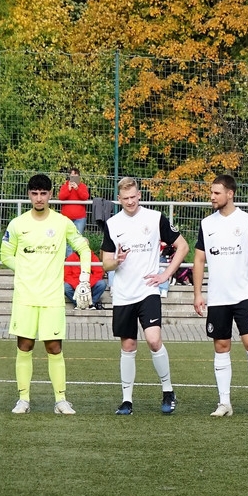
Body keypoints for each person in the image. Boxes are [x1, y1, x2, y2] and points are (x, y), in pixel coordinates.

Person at [0, 174, 92, 415]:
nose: (39, 198)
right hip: (25, 296)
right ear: (29, 195)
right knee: (24, 345)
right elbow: (5, 255)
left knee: (54, 347)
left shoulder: (62, 223)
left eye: (43, 193)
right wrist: (25, 269)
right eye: (34, 193)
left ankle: (61, 401)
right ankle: (23, 400)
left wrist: (84, 278)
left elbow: (83, 248)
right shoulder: (17, 224)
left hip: (52, 297)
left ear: (50, 194)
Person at [101, 177, 189, 416]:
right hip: (123, 294)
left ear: (139, 195)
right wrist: (116, 261)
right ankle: (127, 401)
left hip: (148, 290)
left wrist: (166, 274)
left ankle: (168, 391)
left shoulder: (155, 218)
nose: (130, 202)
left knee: (153, 339)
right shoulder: (112, 224)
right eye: (125, 198)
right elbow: (105, 263)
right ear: (119, 199)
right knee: (128, 345)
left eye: (133, 197)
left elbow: (183, 246)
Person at [192, 174, 248, 417]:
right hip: (218, 297)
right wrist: (197, 293)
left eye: (216, 193)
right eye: (211, 192)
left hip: (243, 296)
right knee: (221, 346)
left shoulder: (247, 221)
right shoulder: (207, 224)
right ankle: (224, 402)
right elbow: (199, 259)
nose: (212, 197)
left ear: (230, 194)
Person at [58, 168, 90, 237]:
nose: (73, 178)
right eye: (72, 175)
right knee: (66, 238)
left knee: (78, 238)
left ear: (79, 177)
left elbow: (85, 197)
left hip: (80, 218)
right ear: (69, 176)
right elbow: (61, 197)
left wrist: (77, 189)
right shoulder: (64, 186)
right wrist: (68, 189)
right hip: (66, 218)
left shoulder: (83, 186)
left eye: (75, 176)